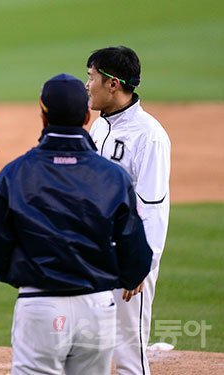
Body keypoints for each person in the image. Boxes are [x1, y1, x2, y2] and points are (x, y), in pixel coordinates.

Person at [0, 73, 153, 375]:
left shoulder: (15, 173)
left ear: (42, 115)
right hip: (97, 307)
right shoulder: (113, 177)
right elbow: (137, 256)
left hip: (39, 305)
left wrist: (26, 276)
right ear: (87, 116)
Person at [85, 46, 171, 375]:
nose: (87, 85)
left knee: (128, 351)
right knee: (88, 342)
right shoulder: (100, 125)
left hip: (128, 255)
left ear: (113, 84)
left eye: (92, 77)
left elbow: (153, 208)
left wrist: (141, 265)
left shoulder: (149, 137)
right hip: (96, 251)